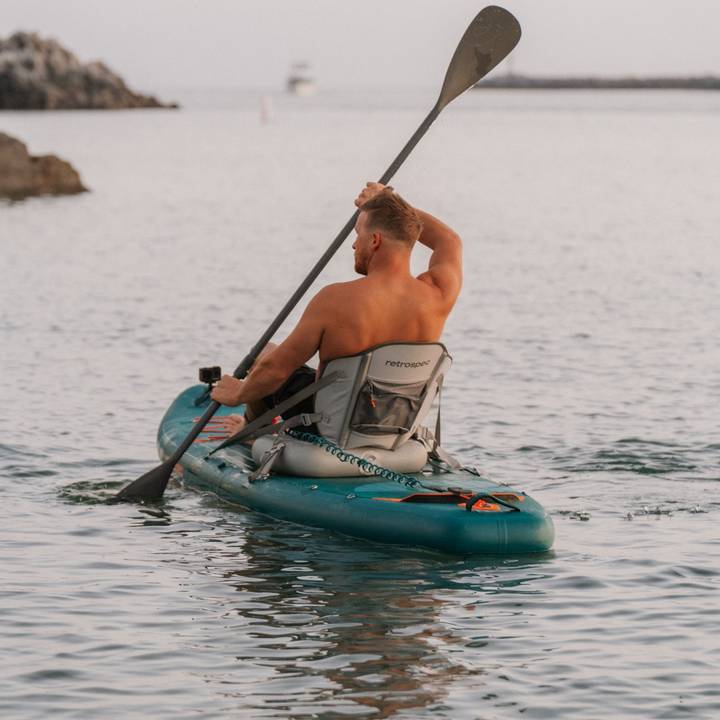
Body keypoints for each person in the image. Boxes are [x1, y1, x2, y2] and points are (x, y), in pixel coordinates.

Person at [211, 182, 462, 436]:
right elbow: (449, 240)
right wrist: (390, 203)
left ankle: (250, 431)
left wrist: (238, 394)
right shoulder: (438, 293)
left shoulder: (335, 299)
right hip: (395, 423)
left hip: (330, 426)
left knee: (264, 355)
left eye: (358, 234)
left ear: (374, 240)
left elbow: (275, 370)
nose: (354, 245)